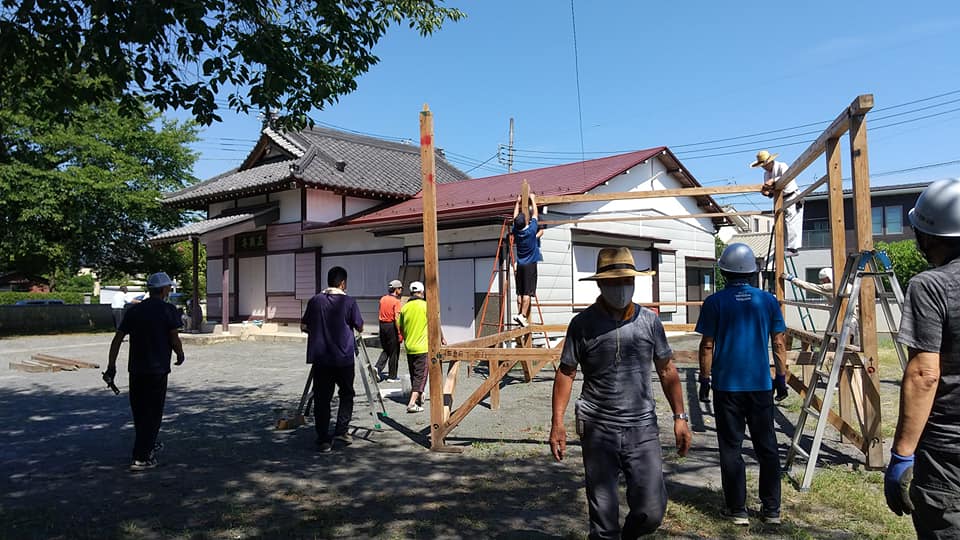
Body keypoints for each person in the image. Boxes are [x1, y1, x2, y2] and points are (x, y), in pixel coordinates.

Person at [550, 247, 692, 539]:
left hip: (642, 427)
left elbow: (667, 370)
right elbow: (566, 372)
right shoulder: (583, 325)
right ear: (601, 285)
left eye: (627, 281)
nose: (621, 288)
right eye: (614, 282)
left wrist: (680, 417)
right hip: (598, 427)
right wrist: (557, 423)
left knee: (651, 510)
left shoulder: (649, 322)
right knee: (603, 515)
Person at [885, 178, 960, 537]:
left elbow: (924, 375)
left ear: (928, 236)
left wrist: (902, 455)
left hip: (947, 455)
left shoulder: (931, 285)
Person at [696, 242, 788, 526]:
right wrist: (781, 378)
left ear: (724, 272)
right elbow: (779, 343)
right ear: (751, 272)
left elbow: (707, 345)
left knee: (731, 447)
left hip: (727, 387)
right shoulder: (768, 301)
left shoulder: (714, 303)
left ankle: (737, 509)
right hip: (760, 386)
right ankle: (771, 510)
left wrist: (704, 379)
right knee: (767, 447)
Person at [105, 272, 185, 470]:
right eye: (168, 287)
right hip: (158, 368)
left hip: (136, 368)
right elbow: (174, 337)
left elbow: (117, 339)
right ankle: (142, 457)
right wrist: (180, 354)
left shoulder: (134, 311)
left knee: (140, 410)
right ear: (164, 289)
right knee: (154, 411)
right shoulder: (168, 310)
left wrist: (111, 366)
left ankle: (148, 443)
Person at [301, 266, 363, 453]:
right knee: (346, 394)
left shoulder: (315, 301)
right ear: (343, 283)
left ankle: (323, 439)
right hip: (344, 358)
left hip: (321, 358)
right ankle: (341, 430)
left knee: (322, 398)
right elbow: (359, 326)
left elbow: (304, 326)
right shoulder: (349, 302)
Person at [783, 267, 860, 345]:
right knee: (854, 345)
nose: (822, 282)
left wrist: (792, 279)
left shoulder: (831, 287)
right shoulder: (848, 285)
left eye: (824, 280)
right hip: (854, 320)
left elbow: (810, 286)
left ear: (830, 277)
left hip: (844, 321)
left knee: (843, 345)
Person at [751, 150, 803, 256]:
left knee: (792, 222)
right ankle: (783, 247)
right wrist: (767, 193)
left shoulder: (782, 166)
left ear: (770, 161)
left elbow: (787, 177)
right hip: (780, 199)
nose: (764, 167)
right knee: (782, 223)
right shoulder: (766, 174)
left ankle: (793, 248)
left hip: (792, 195)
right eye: (762, 166)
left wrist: (773, 180)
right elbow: (771, 192)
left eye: (765, 165)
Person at [512, 191, 544, 327]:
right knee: (527, 292)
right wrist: (533, 199)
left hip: (520, 265)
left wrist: (517, 202)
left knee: (520, 292)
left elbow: (515, 217)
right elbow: (535, 214)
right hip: (530, 265)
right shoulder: (530, 231)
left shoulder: (516, 232)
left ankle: (519, 313)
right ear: (525, 221)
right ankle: (523, 315)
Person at [374, 279, 403, 382]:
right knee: (394, 351)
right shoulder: (396, 301)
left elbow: (380, 312)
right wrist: (399, 333)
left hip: (382, 325)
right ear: (396, 289)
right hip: (391, 326)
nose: (401, 290)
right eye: (400, 288)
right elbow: (397, 318)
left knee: (386, 349)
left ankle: (377, 368)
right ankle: (392, 376)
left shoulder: (383, 299)